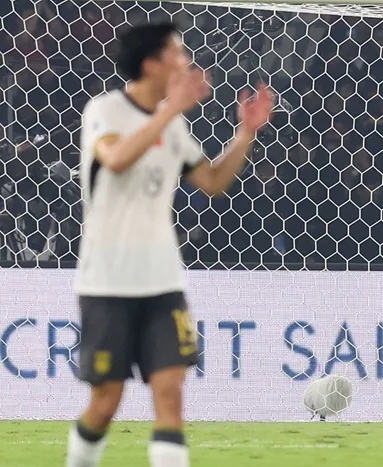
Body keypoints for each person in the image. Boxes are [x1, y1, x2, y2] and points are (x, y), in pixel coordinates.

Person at [66, 22, 272, 467]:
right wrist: (170, 110)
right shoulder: (105, 111)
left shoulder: (174, 125)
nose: (186, 61)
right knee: (105, 403)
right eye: (178, 52)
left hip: (162, 282)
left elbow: (212, 181)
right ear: (151, 64)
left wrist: (246, 134)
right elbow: (116, 159)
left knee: (170, 395)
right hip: (107, 283)